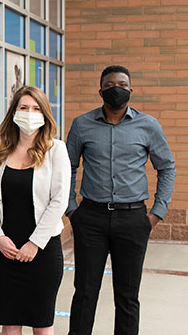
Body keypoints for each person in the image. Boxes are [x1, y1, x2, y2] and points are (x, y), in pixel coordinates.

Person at [66, 65, 176, 335]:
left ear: (131, 90)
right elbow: (67, 167)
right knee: (85, 293)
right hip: (91, 218)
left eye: (123, 84)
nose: (117, 88)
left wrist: (156, 213)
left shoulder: (148, 125)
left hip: (133, 219)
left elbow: (167, 167)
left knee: (127, 297)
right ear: (100, 90)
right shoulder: (82, 125)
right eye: (111, 83)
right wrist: (72, 210)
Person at [0, 86, 70, 335]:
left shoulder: (56, 150)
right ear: (13, 112)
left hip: (42, 252)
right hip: (5, 250)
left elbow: (59, 200)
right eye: (23, 108)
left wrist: (34, 243)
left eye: (36, 108)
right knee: (9, 322)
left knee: (41, 324)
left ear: (44, 114)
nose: (29, 113)